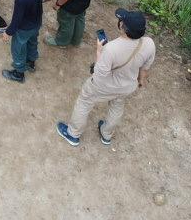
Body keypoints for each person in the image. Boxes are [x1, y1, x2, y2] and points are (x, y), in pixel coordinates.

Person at [57, 9, 156, 146]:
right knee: (117, 106)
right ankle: (106, 134)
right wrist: (141, 81)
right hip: (127, 86)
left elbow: (99, 75)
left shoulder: (111, 48)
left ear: (123, 27)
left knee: (85, 101)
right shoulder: (149, 43)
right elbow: (145, 68)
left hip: (105, 86)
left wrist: (99, 50)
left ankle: (73, 134)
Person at [0, 0, 46, 83]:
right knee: (32, 42)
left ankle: (19, 73)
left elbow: (17, 19)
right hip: (36, 23)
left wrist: (8, 32)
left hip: (24, 28)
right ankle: (31, 62)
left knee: (18, 49)